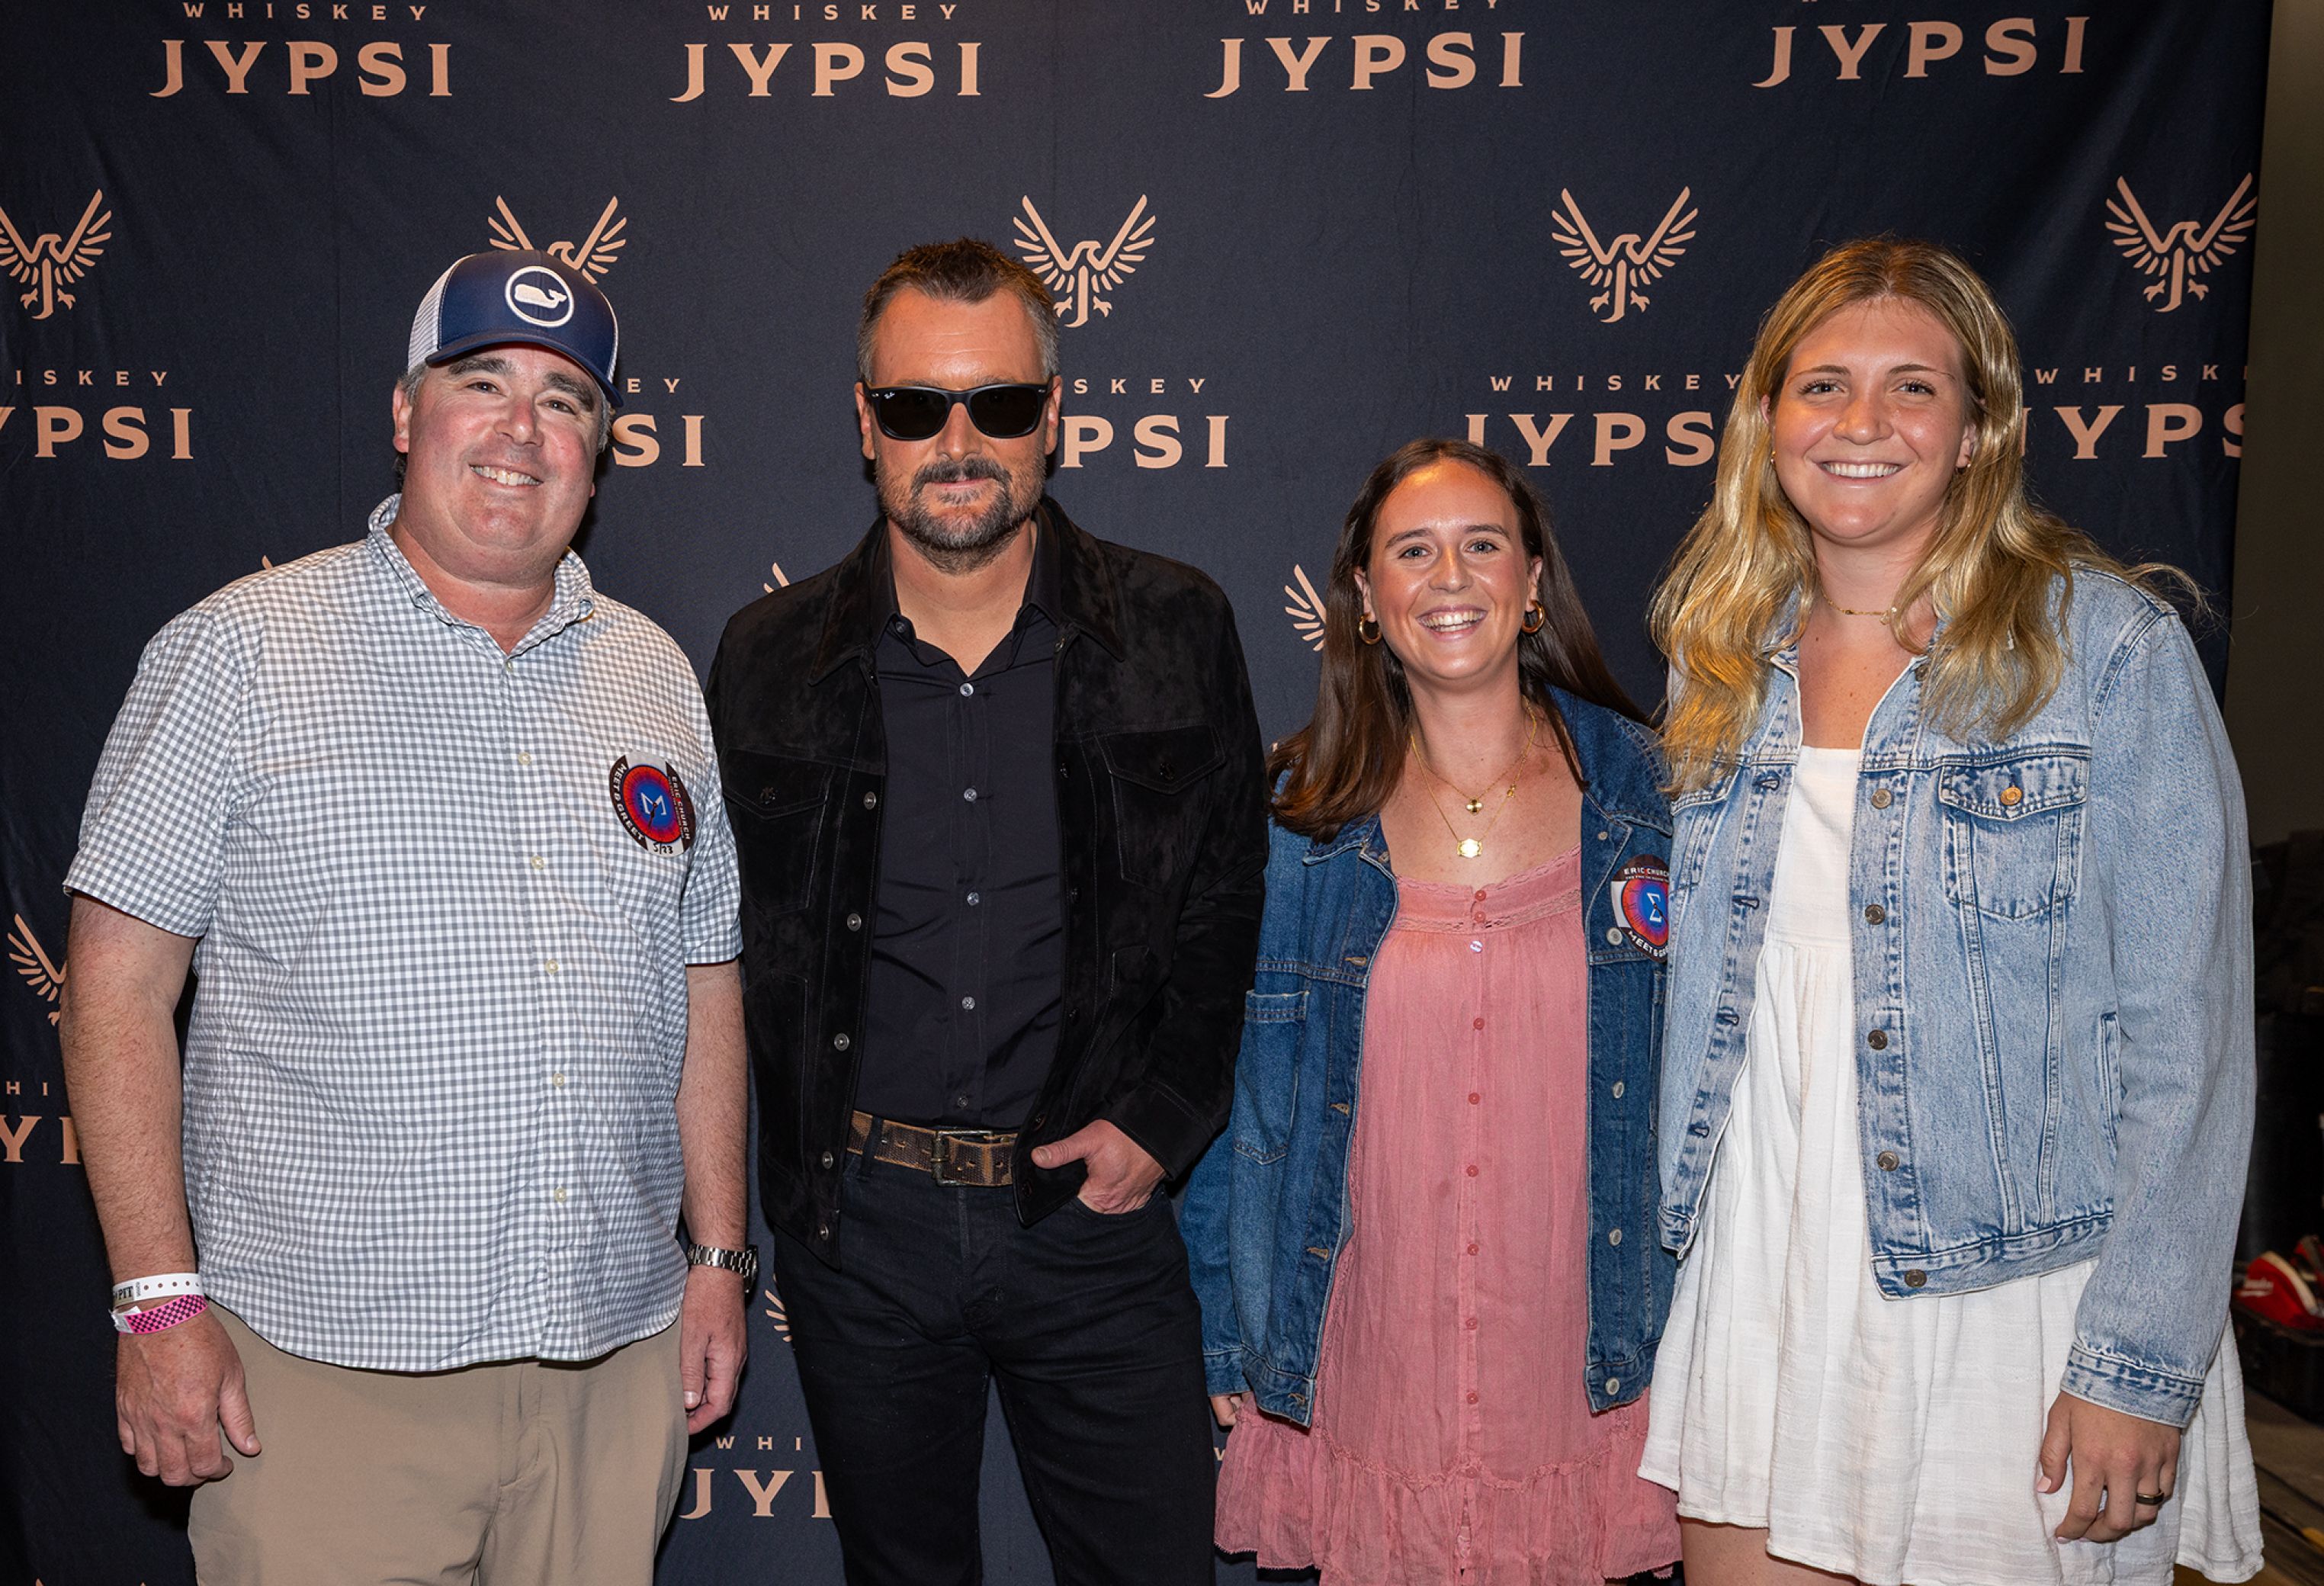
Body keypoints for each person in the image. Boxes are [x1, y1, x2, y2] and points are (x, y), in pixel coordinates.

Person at [56, 250, 750, 1584]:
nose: (521, 429)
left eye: (565, 401)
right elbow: (114, 989)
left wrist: (718, 1254)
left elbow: (703, 982)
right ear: (403, 412)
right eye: (481, 382)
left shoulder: (655, 675)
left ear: (600, 453)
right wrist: (155, 1303)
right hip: (320, 1384)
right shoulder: (240, 652)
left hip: (612, 1371)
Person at [1639, 238, 2264, 1586]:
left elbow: (2191, 1043)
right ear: (1765, 422)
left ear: (1979, 431)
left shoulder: (2105, 652)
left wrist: (2138, 1360)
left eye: (1912, 387)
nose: (1862, 423)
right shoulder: (1719, 663)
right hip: (1758, 1267)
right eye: (1823, 386)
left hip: (2010, 1293)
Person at [706, 237, 1267, 1585]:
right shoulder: (766, 660)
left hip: (1092, 1226)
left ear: (1053, 416)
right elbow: (716, 952)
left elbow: (1226, 903)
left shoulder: (1175, 628)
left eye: (999, 404)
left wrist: (1162, 1122)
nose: (958, 443)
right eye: (917, 407)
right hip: (862, 1236)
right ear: (866, 423)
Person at [1181, 438, 1683, 1584]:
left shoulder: (1653, 797)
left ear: (1533, 580)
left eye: (1481, 545)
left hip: (1593, 1358)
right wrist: (1225, 1322)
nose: (1449, 579)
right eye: (1413, 552)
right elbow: (1237, 1098)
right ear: (1365, 598)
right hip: (1372, 1356)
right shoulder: (1297, 821)